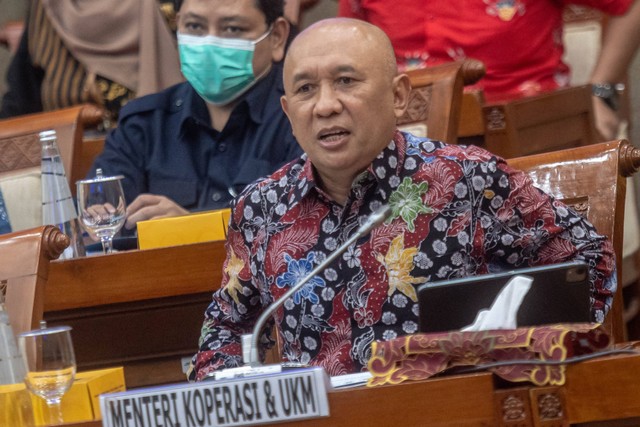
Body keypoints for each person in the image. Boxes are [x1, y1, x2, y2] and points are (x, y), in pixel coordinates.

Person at [189, 18, 616, 380]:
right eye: (305, 90)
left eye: (345, 81)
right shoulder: (261, 209)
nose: (324, 106)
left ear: (398, 96)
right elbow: (226, 330)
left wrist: (508, 355)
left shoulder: (468, 179)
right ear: (287, 112)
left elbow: (589, 263)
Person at [89, 0, 303, 231]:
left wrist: (194, 228)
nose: (209, 43)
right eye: (194, 26)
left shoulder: (303, 118)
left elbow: (308, 230)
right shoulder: (145, 123)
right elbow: (99, 225)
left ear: (277, 37)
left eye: (232, 29)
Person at [337, 0, 640, 140]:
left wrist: (601, 91)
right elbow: (348, 42)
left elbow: (629, 7)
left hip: (525, 129)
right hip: (406, 133)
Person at [0, 0, 183, 127]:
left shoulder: (175, 7)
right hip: (68, 165)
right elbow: (20, 102)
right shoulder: (47, 7)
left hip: (160, 151)